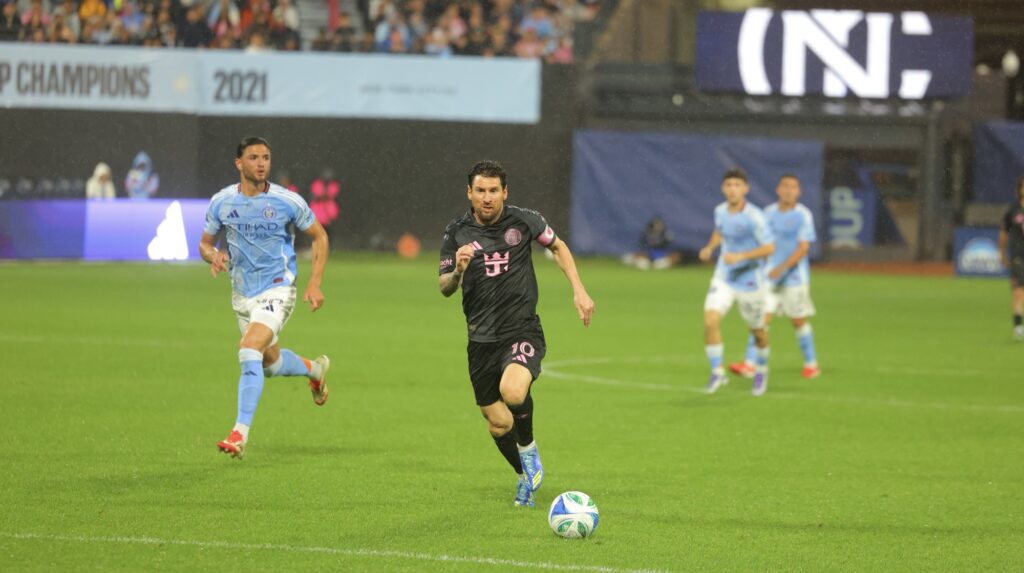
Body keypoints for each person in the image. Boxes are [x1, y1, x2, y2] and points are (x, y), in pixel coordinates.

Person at [438, 160, 595, 507]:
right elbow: (445, 287)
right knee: (496, 423)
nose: (487, 197)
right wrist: (458, 271)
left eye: (494, 190)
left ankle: (528, 447)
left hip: (521, 329)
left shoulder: (524, 221)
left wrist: (579, 289)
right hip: (480, 339)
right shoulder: (456, 233)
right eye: (481, 190)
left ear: (505, 192)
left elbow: (558, 246)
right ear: (469, 193)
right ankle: (524, 475)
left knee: (513, 390)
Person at [199, 136, 332, 459]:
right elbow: (204, 243)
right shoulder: (222, 202)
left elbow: (319, 236)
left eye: (266, 158)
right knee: (269, 364)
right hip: (242, 294)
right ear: (239, 163)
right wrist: (213, 255)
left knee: (248, 349)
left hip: (277, 288)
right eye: (254, 157)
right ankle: (314, 370)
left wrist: (315, 282)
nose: (261, 164)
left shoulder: (287, 201)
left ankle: (239, 433)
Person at [729, 174, 820, 379]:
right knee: (760, 320)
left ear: (799, 192)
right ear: (778, 190)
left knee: (798, 321)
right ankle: (750, 364)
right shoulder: (768, 213)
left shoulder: (803, 215)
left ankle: (811, 363)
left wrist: (781, 268)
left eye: (793, 187)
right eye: (785, 186)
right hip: (769, 278)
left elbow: (803, 248)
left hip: (794, 278)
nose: (788, 190)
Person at [699, 168, 775, 396]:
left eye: (737, 185)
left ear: (745, 189)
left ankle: (761, 370)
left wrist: (741, 256)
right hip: (724, 277)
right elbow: (720, 231)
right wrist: (710, 247)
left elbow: (769, 247)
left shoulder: (755, 217)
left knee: (758, 331)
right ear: (723, 188)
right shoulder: (720, 211)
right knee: (710, 320)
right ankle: (717, 372)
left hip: (750, 280)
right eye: (728, 185)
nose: (732, 189)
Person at [998, 175, 1024, 341]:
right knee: (1019, 290)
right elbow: (1003, 233)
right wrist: (1001, 252)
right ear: (1019, 189)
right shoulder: (1013, 210)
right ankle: (1018, 326)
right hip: (1018, 256)